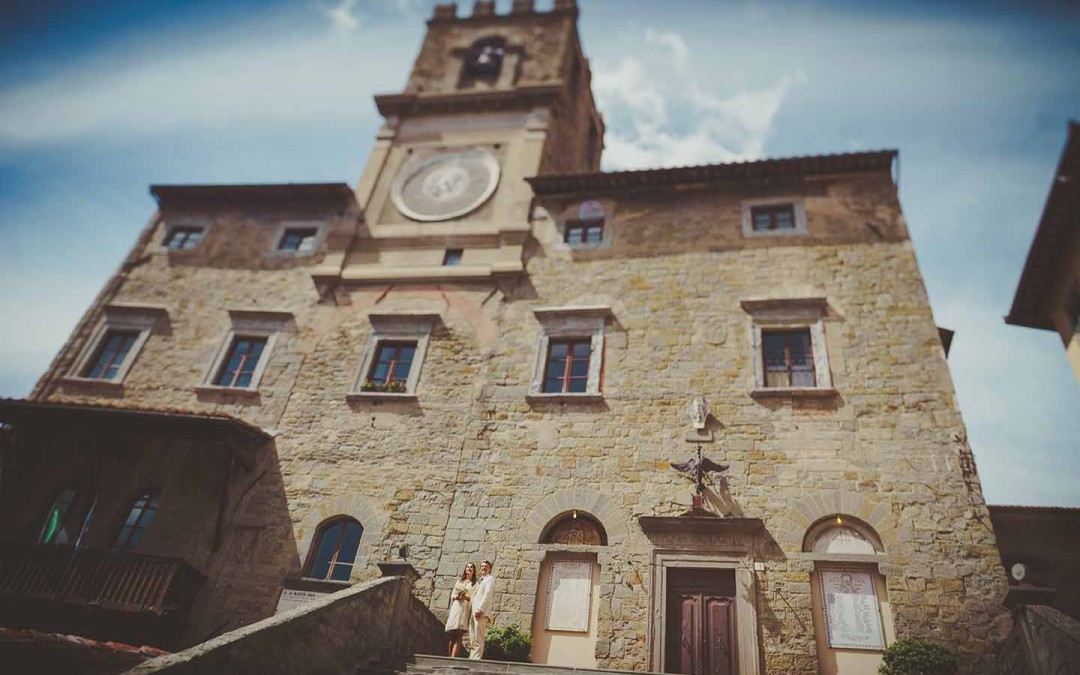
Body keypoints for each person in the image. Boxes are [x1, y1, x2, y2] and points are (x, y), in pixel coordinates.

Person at [445, 562, 476, 658]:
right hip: (457, 607)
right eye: (468, 567)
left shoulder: (475, 584)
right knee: (452, 634)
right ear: (465, 569)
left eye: (471, 567)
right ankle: (449, 657)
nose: (469, 568)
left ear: (474, 571)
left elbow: (474, 598)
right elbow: (453, 595)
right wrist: (457, 596)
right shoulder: (460, 582)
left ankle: (453, 658)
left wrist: (466, 597)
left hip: (465, 608)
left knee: (459, 634)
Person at [469, 560, 496, 660]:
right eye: (482, 566)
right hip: (473, 611)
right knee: (472, 636)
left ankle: (476, 659)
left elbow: (487, 595)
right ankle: (471, 657)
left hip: (480, 612)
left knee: (478, 637)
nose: (484, 568)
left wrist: (481, 609)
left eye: (486, 566)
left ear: (490, 569)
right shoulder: (480, 580)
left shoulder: (490, 579)